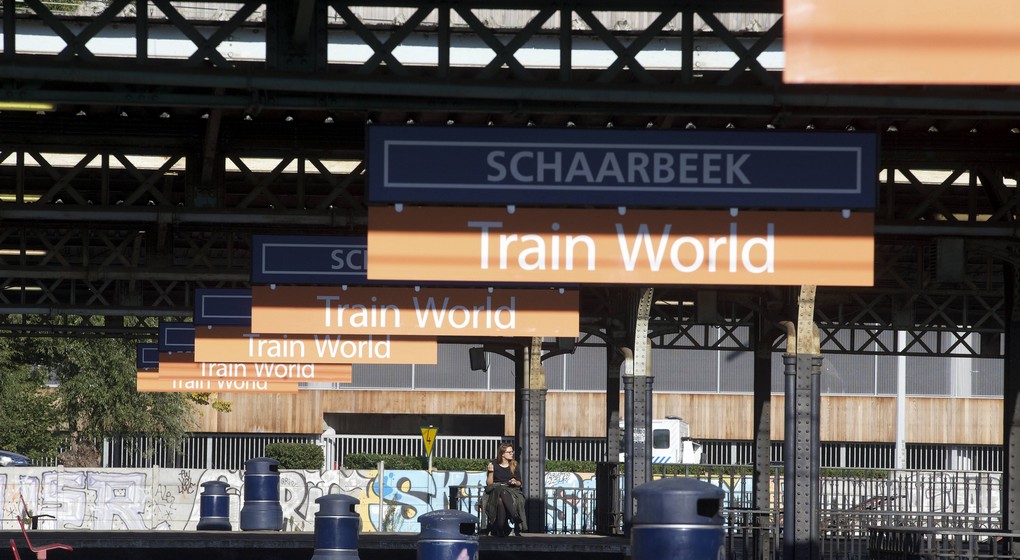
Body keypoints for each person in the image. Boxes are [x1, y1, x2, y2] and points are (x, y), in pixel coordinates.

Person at [483, 442, 527, 536]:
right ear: (502, 454)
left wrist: (515, 482)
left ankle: (500, 529)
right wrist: (490, 472)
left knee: (501, 497)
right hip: (496, 489)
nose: (512, 454)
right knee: (500, 491)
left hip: (511, 490)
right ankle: (514, 516)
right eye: (509, 452)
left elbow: (519, 483)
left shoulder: (514, 464)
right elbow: (489, 483)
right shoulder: (494, 464)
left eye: (512, 452)